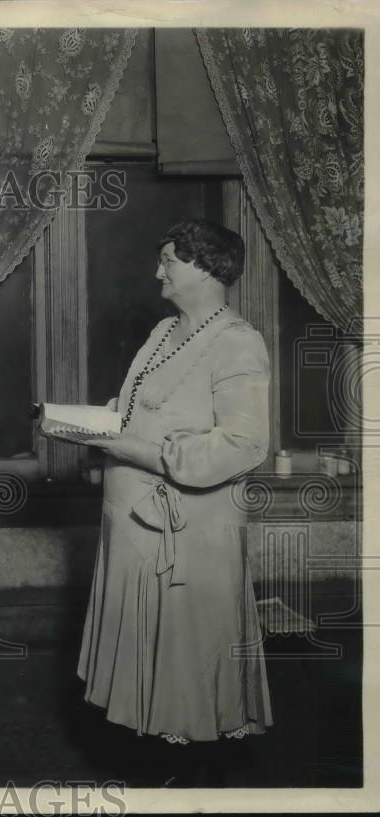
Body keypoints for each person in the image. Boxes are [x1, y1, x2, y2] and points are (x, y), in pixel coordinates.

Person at [79, 218, 272, 785]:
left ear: (209, 268)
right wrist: (85, 425)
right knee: (147, 661)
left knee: (187, 661)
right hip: (133, 530)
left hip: (188, 535)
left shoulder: (238, 342)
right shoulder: (164, 331)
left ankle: (188, 774)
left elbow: (242, 445)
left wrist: (130, 446)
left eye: (169, 260)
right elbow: (137, 406)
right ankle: (151, 758)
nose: (156, 271)